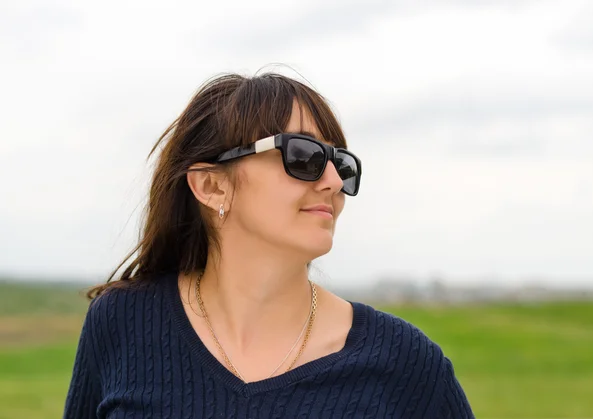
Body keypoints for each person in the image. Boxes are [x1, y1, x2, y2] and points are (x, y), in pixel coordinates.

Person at [63, 72, 475, 418]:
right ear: (211, 185)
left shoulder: (406, 363)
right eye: (303, 155)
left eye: (341, 165)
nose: (332, 183)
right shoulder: (122, 322)